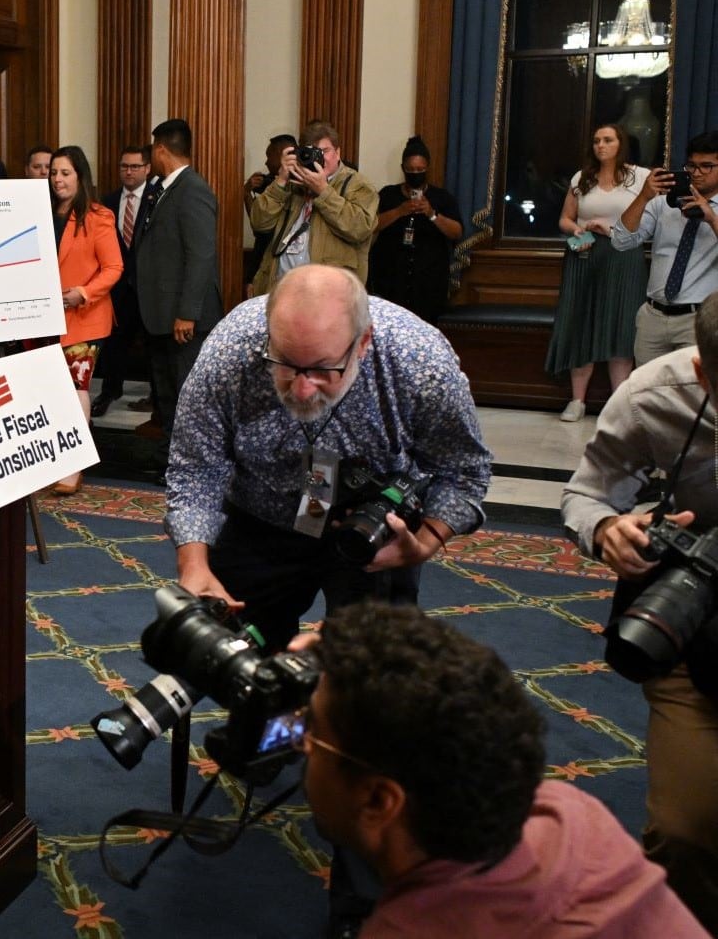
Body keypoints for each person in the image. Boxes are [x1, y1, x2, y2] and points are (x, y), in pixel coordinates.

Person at [293, 603, 704, 938]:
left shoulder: (411, 929)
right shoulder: (571, 812)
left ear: (380, 800)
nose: (299, 736)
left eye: (310, 728)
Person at [167, 264, 490, 653]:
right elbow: (196, 467)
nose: (302, 390)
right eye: (285, 363)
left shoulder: (417, 361)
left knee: (368, 673)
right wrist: (193, 562)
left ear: (363, 342)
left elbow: (463, 471)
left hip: (369, 536)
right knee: (237, 657)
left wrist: (424, 543)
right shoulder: (232, 350)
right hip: (262, 516)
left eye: (323, 369)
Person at [561, 292, 718, 931]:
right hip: (696, 621)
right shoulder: (656, 395)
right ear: (705, 371)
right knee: (685, 834)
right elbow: (585, 492)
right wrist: (605, 531)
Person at [544, 124, 650, 421]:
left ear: (621, 144)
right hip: (584, 253)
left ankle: (619, 405)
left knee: (621, 324)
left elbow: (651, 221)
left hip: (623, 256)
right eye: (596, 141)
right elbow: (565, 219)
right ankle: (577, 401)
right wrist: (578, 228)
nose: (600, 145)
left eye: (607, 140)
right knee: (581, 322)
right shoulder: (582, 178)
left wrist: (614, 229)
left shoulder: (639, 177)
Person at [132, 118, 220, 445]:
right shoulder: (165, 188)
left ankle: (189, 465)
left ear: (160, 148)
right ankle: (170, 461)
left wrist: (188, 312)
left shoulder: (193, 190)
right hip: (162, 317)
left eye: (151, 151)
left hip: (183, 321)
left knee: (187, 398)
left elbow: (201, 255)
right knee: (167, 396)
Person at [45, 146, 123, 495]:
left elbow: (114, 268)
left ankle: (74, 465)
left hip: (84, 318)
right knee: (50, 390)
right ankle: (54, 460)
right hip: (44, 319)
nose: (58, 180)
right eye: (53, 173)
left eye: (65, 173)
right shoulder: (41, 212)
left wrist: (85, 293)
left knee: (76, 388)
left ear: (80, 176)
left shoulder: (98, 215)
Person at [611, 129, 718, 367]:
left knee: (693, 395)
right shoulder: (663, 203)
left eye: (706, 166)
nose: (696, 173)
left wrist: (711, 218)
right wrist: (644, 196)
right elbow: (620, 241)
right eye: (691, 166)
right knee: (647, 393)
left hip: (699, 319)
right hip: (653, 316)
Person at [249, 121, 378, 296]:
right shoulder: (292, 183)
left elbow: (360, 228)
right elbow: (259, 223)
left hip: (329, 299)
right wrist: (280, 180)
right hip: (281, 293)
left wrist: (323, 191)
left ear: (338, 152)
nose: (318, 158)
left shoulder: (358, 185)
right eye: (310, 152)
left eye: (324, 151)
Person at [93, 144, 162, 418]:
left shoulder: (158, 198)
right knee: (115, 342)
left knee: (154, 344)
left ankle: (156, 398)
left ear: (147, 168)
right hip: (117, 287)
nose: (129, 171)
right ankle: (110, 390)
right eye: (124, 166)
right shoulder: (107, 202)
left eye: (135, 166)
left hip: (148, 287)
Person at [367, 136, 463, 325]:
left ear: (427, 168)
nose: (415, 174)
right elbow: (370, 225)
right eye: (411, 170)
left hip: (428, 282)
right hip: (391, 279)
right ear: (403, 168)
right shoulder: (387, 195)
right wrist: (399, 211)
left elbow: (457, 232)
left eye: (420, 170)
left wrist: (431, 214)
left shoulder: (442, 197)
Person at [243, 133, 298, 287]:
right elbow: (258, 225)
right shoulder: (267, 183)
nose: (266, 162)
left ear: (284, 155)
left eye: (269, 156)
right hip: (262, 257)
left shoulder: (301, 186)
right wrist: (247, 193)